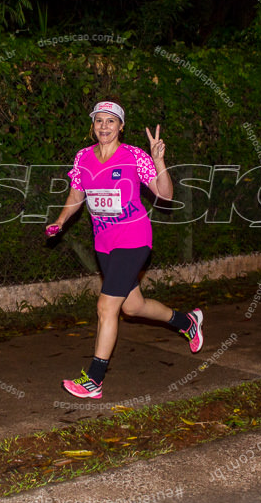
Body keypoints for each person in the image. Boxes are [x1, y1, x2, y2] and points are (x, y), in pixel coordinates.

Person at [46, 100, 203, 399]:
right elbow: (77, 193)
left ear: (121, 126)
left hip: (134, 238)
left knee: (107, 307)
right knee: (133, 307)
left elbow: (166, 196)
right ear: (92, 125)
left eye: (111, 121)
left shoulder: (134, 155)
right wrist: (61, 220)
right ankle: (187, 322)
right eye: (99, 121)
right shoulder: (83, 157)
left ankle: (94, 379)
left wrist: (158, 161)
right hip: (104, 244)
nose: (104, 127)